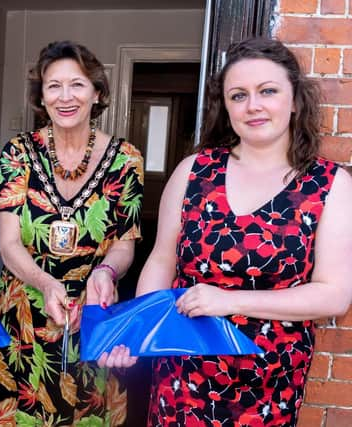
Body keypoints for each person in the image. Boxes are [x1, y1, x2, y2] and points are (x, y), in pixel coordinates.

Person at [98, 37, 352, 426]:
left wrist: (229, 301)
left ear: (295, 100)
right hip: (182, 374)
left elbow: (333, 296)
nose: (253, 105)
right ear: (226, 107)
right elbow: (162, 261)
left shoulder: (328, 184)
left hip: (270, 383)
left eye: (268, 91)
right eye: (238, 95)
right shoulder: (193, 171)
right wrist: (139, 333)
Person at [0, 40, 144, 426]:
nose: (65, 96)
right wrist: (44, 282)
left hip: (93, 314)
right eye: (53, 85)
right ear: (41, 96)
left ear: (97, 92)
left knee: (88, 411)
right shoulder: (17, 154)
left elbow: (124, 245)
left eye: (77, 84)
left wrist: (105, 273)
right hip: (23, 316)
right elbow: (8, 243)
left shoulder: (126, 159)